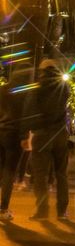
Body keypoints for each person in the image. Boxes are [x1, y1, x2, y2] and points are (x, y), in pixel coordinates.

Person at [25, 58, 71, 221]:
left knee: (40, 175)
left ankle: (42, 211)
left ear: (42, 70)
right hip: (60, 134)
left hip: (43, 134)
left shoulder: (37, 87)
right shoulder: (64, 87)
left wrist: (28, 132)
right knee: (61, 174)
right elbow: (67, 110)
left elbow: (29, 111)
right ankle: (62, 211)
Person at [0, 82, 24, 221]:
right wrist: (25, 136)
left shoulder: (3, 89)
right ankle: (3, 208)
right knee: (9, 171)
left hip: (1, 130)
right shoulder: (23, 90)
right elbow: (26, 115)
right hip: (14, 134)